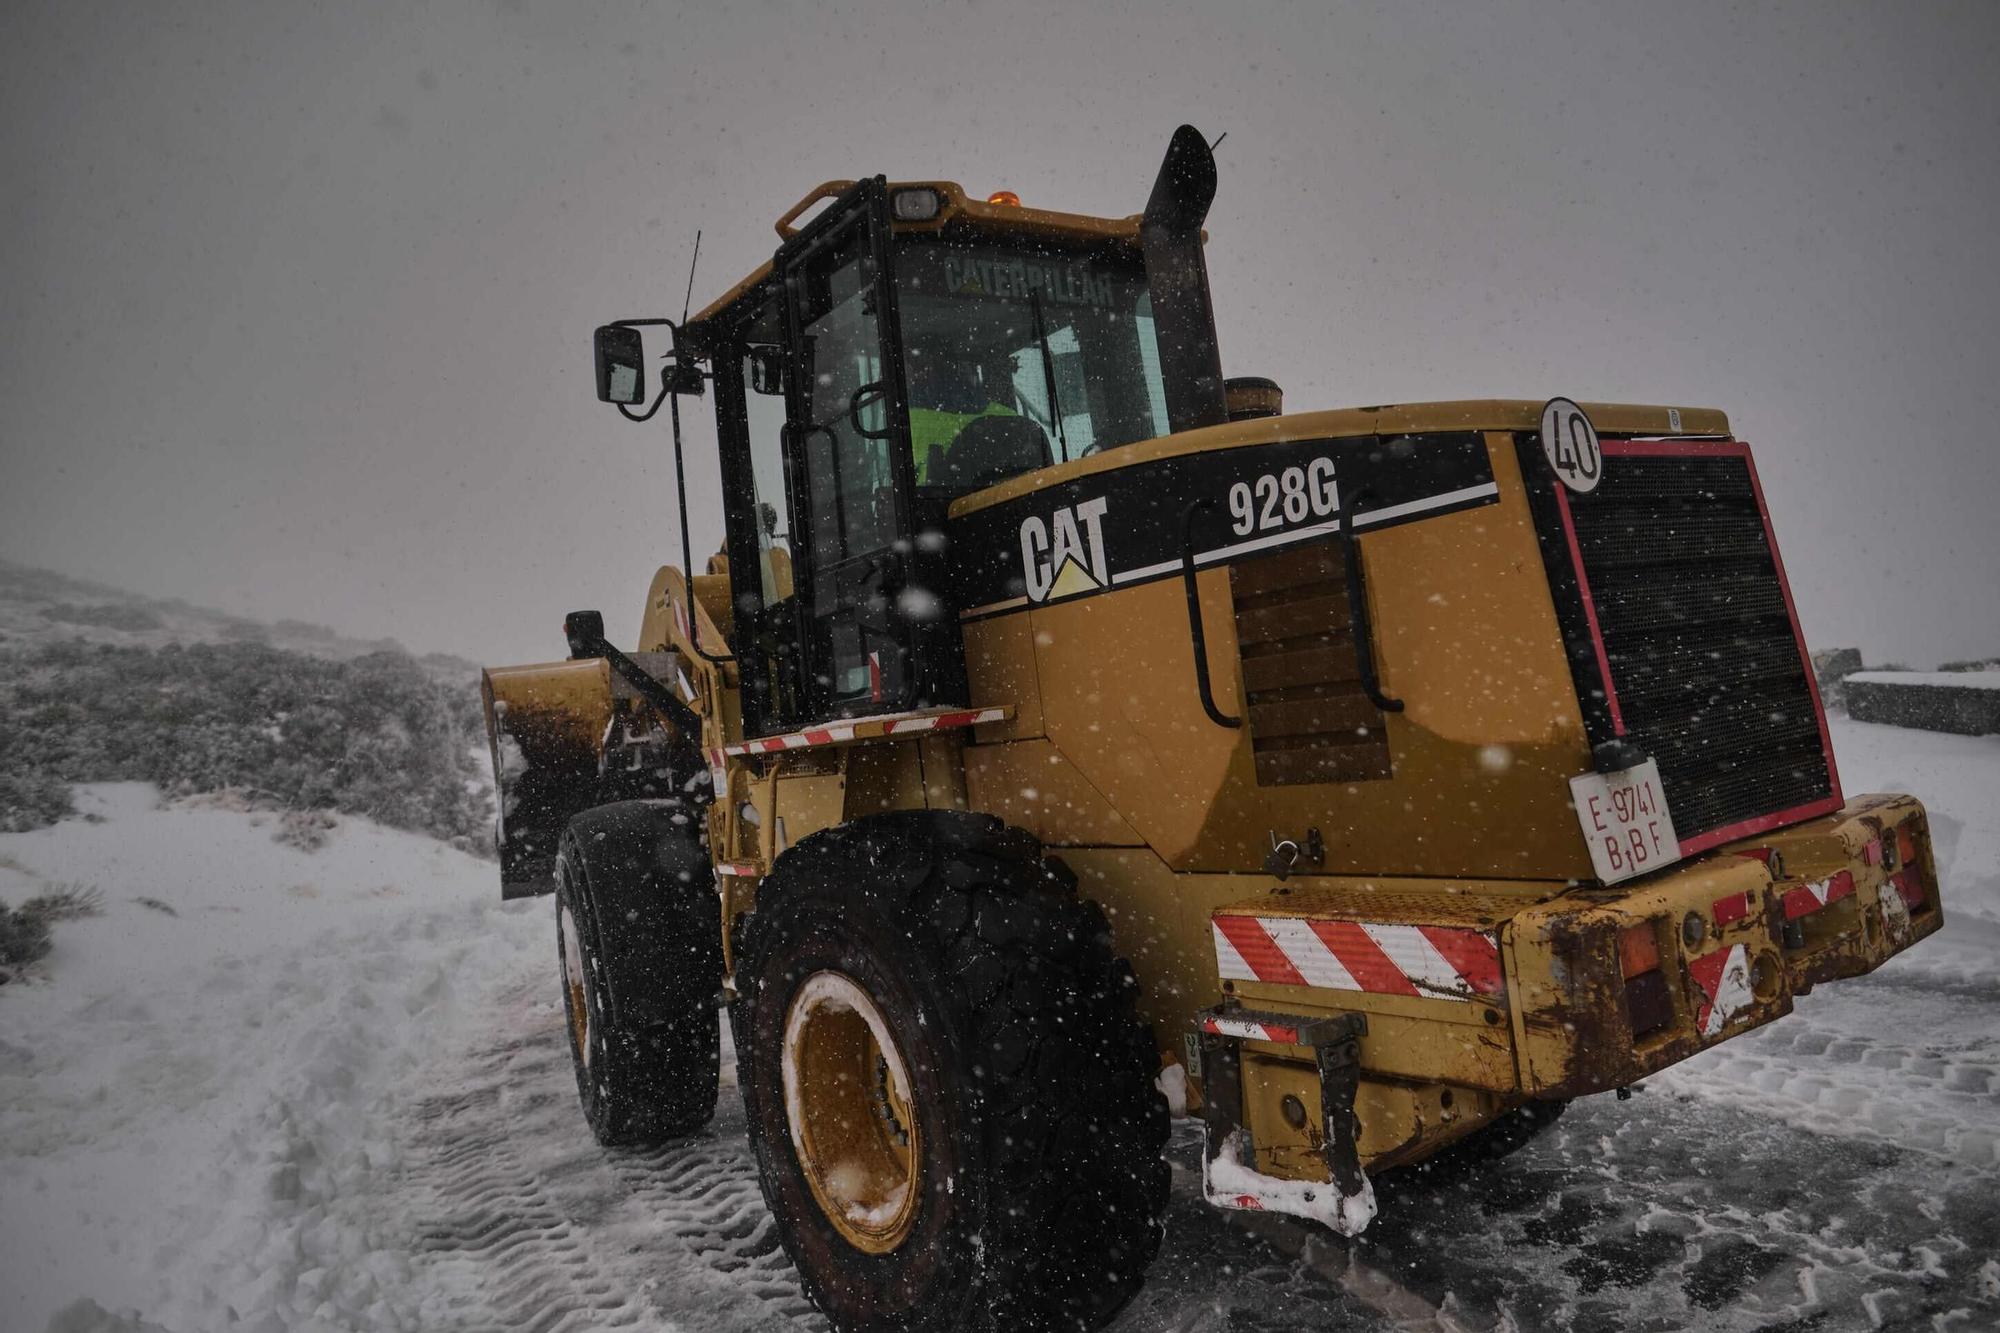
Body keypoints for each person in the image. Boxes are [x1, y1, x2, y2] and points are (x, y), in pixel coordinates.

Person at [904, 348, 1020, 484]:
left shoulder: (907, 421)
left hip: (937, 502)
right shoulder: (1009, 417)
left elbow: (891, 471)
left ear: (921, 373)